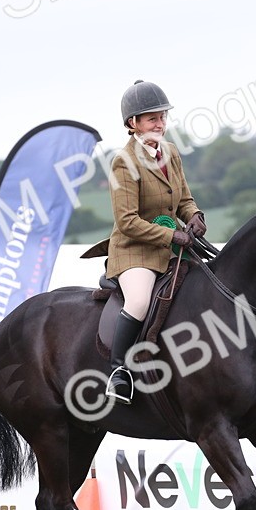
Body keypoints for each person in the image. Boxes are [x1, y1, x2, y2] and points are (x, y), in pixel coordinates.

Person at [81, 80, 206, 405]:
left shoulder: (171, 152)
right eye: (152, 119)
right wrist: (171, 234)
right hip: (135, 251)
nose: (160, 124)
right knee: (138, 301)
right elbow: (127, 221)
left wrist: (194, 216)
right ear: (132, 123)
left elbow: (184, 198)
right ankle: (119, 372)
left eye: (162, 117)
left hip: (173, 247)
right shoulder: (124, 161)